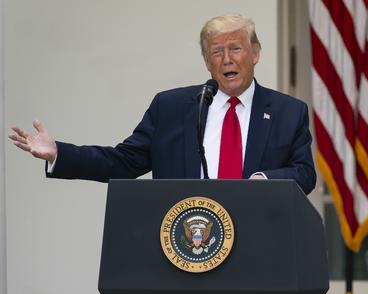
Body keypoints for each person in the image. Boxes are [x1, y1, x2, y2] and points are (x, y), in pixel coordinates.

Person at [8, 14, 316, 195]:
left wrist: (261, 183)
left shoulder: (288, 113)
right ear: (206, 62)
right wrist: (60, 153)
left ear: (255, 54)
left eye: (235, 48)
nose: (227, 60)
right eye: (216, 52)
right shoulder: (171, 107)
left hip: (258, 245)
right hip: (186, 248)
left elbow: (304, 174)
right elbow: (123, 162)